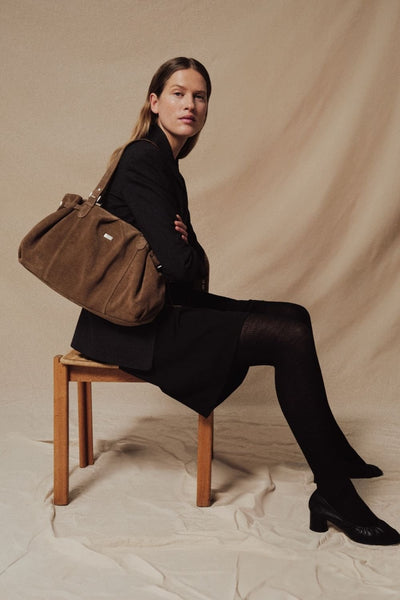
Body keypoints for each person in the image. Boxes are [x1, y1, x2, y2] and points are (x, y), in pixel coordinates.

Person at [71, 57, 399, 546]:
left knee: (295, 315)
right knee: (287, 334)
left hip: (161, 306)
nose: (190, 104)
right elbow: (182, 265)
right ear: (154, 102)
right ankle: (334, 492)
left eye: (199, 96)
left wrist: (182, 248)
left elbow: (189, 266)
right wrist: (181, 248)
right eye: (178, 93)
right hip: (129, 326)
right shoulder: (143, 159)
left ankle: (334, 454)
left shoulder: (166, 165)